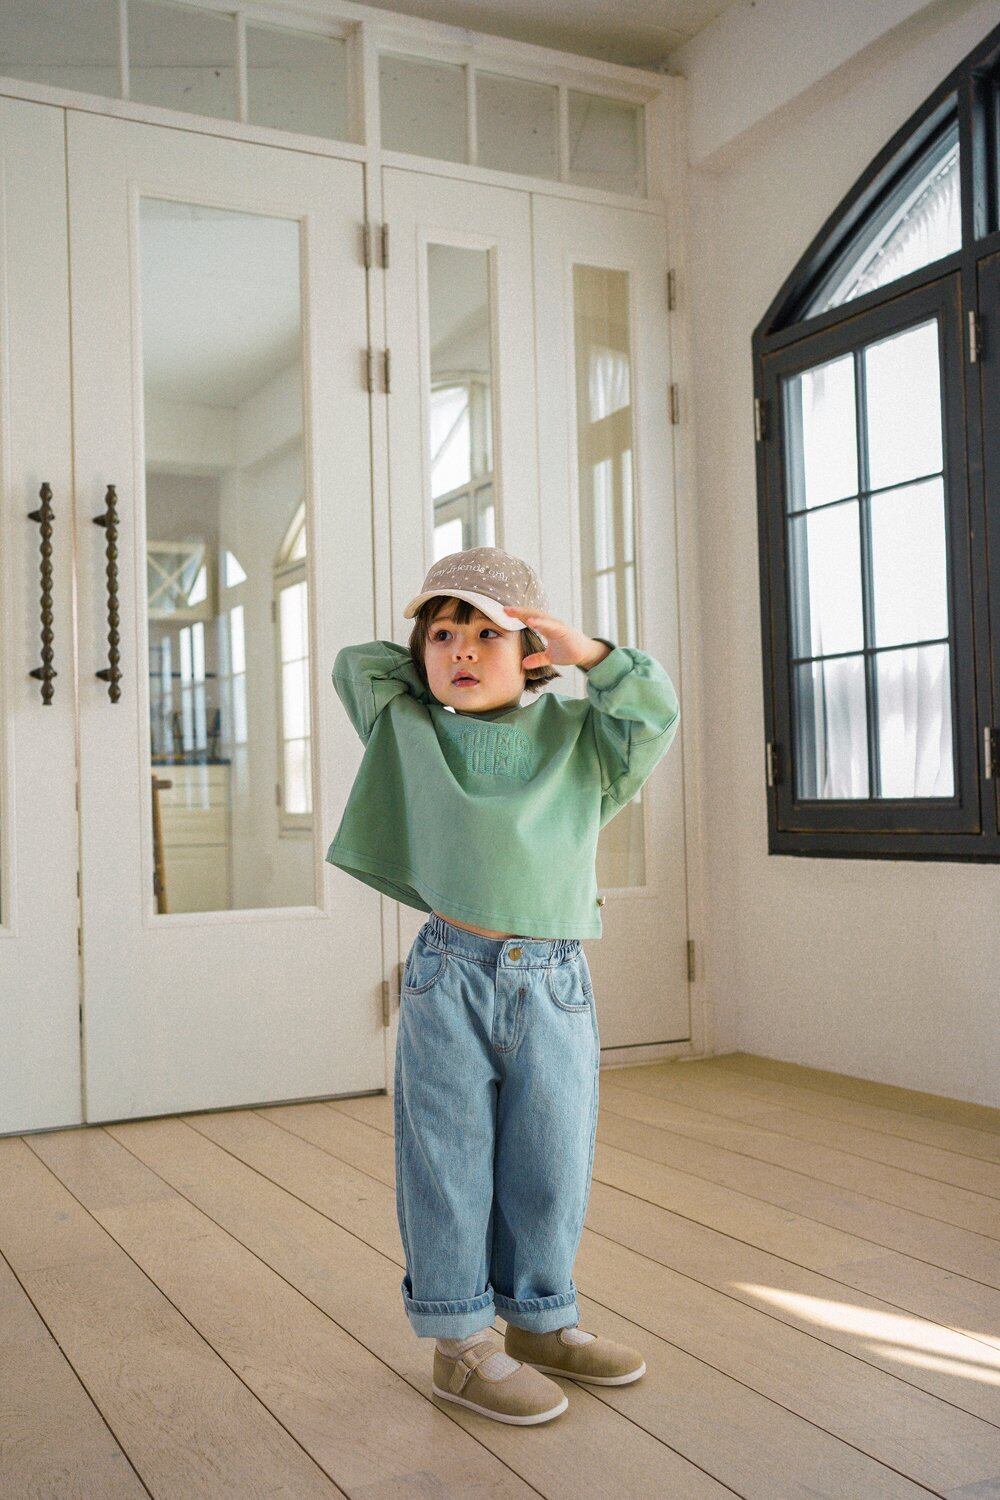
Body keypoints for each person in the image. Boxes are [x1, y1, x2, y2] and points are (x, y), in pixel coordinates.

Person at [326, 546, 680, 1424]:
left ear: (532, 652)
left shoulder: (580, 739)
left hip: (554, 982)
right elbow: (356, 666)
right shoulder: (409, 729)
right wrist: (441, 644)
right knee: (446, 1162)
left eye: (488, 634)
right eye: (444, 635)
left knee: (549, 1159)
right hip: (450, 975)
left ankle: (541, 1319)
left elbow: (652, 712)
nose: (462, 650)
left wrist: (584, 653)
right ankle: (459, 1344)